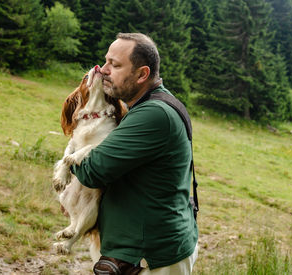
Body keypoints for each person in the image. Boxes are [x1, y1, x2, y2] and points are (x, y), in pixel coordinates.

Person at [72, 33, 199, 274]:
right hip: (144, 251)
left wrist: (75, 145)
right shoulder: (148, 105)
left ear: (142, 74)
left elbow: (91, 171)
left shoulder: (154, 114)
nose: (103, 70)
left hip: (152, 259)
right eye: (106, 61)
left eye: (115, 65)